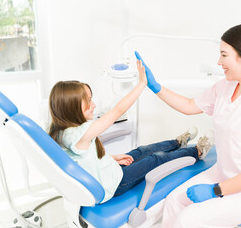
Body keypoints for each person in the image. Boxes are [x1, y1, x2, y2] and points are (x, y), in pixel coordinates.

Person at [135, 23, 241, 227]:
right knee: (173, 202)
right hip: (224, 172)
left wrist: (216, 190)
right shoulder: (225, 87)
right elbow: (190, 105)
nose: (219, 62)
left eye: (224, 55)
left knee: (187, 220)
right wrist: (155, 87)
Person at [48, 59, 213, 203]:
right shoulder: (78, 134)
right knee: (155, 160)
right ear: (72, 106)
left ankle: (178, 143)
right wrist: (142, 84)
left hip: (110, 171)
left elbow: (85, 161)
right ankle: (197, 151)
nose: (94, 105)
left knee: (142, 150)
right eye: (89, 101)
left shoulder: (64, 131)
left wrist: (113, 158)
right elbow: (117, 111)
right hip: (115, 184)